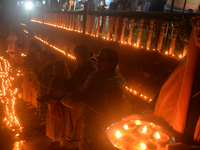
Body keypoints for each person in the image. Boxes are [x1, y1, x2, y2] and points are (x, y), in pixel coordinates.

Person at [123, 16, 200, 150]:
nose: (199, 28)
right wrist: (144, 116)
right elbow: (157, 102)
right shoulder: (183, 67)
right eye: (197, 21)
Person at [69, 48, 131, 150]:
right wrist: (79, 92)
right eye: (98, 58)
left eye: (102, 59)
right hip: (88, 127)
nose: (97, 62)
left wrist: (85, 100)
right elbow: (89, 94)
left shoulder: (116, 86)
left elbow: (111, 114)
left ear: (112, 64)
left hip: (102, 133)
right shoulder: (95, 76)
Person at [61, 45, 96, 149]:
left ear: (86, 56)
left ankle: (78, 144)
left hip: (81, 101)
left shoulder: (91, 68)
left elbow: (89, 86)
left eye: (78, 57)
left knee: (78, 124)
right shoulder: (79, 65)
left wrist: (77, 90)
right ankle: (73, 143)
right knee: (72, 122)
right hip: (74, 99)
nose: (76, 59)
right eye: (76, 57)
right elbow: (74, 78)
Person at [45, 60, 71, 148]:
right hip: (52, 103)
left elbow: (66, 93)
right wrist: (48, 98)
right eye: (54, 69)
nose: (55, 71)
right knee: (52, 122)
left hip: (61, 105)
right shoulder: (55, 78)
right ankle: (54, 139)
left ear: (63, 69)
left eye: (57, 69)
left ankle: (62, 141)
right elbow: (51, 89)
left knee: (61, 123)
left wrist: (57, 99)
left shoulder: (66, 79)